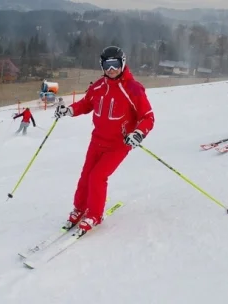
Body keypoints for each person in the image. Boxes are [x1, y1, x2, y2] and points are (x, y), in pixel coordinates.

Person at [55, 46, 155, 233]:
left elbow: (148, 117)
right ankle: (80, 208)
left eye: (115, 65)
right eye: (107, 65)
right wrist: (69, 110)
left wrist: (138, 133)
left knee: (97, 177)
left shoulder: (133, 89)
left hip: (118, 144)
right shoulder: (99, 86)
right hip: (97, 140)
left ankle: (94, 214)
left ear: (122, 64)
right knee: (86, 176)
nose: (111, 70)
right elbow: (86, 104)